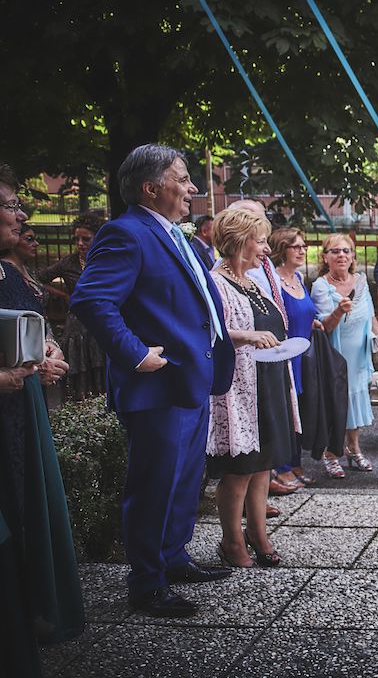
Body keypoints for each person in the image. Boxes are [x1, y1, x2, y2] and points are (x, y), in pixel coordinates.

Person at [71, 144, 235, 618]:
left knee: (183, 480)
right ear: (150, 188)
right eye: (182, 178)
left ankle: (173, 558)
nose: (192, 187)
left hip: (190, 380)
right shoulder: (125, 233)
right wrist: (136, 354)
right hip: (157, 384)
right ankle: (146, 583)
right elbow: (92, 300)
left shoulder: (176, 235)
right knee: (154, 486)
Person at [0, 164, 82, 674]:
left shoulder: (10, 273)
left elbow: (29, 330)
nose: (22, 215)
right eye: (10, 205)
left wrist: (47, 350)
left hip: (20, 407)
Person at [206, 206, 295, 569]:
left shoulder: (253, 281)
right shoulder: (216, 282)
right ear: (240, 241)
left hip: (268, 381)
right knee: (240, 469)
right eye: (260, 241)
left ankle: (259, 534)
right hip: (239, 389)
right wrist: (246, 336)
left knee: (262, 466)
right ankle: (231, 541)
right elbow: (206, 332)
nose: (266, 249)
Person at [311, 233, 378, 478]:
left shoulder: (360, 281)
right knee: (336, 402)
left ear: (352, 256)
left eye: (346, 251)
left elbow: (370, 313)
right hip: (336, 354)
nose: (341, 255)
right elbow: (324, 327)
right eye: (335, 251)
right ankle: (331, 454)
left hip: (359, 353)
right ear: (325, 257)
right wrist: (339, 311)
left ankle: (353, 448)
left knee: (355, 399)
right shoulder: (321, 286)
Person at [34, 214, 107, 399]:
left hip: (102, 320)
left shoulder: (107, 260)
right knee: (79, 368)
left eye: (86, 239)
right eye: (77, 239)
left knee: (102, 368)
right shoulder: (68, 262)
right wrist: (64, 294)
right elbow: (38, 278)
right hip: (77, 323)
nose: (80, 243)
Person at [269, 227, 321, 488]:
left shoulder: (299, 278)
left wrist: (314, 323)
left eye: (303, 246)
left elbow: (305, 312)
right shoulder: (272, 281)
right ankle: (281, 467)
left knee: (299, 409)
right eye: (296, 246)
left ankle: (296, 462)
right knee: (285, 411)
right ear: (282, 249)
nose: (302, 251)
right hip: (285, 355)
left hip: (304, 354)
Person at [0, 224, 43, 305]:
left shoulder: (25, 268)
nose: (36, 244)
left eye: (36, 239)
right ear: (13, 241)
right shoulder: (4, 271)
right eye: (29, 239)